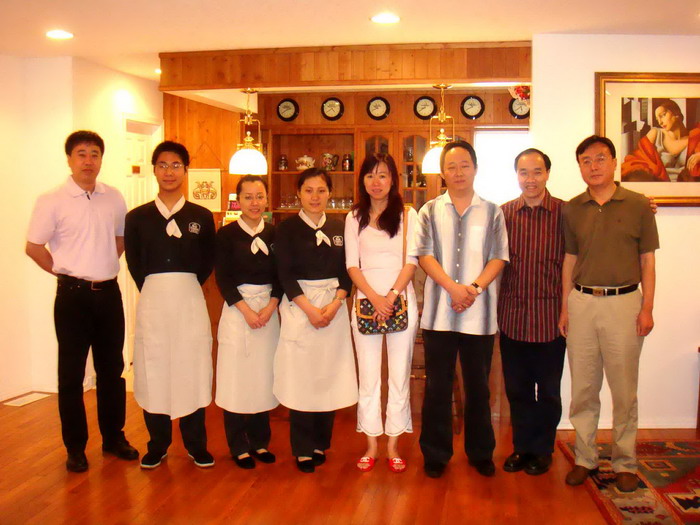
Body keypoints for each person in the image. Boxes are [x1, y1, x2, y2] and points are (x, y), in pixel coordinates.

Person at [25, 130, 139, 472]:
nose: (88, 160)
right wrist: (65, 272)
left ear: (101, 159)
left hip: (108, 294)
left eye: (94, 154)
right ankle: (75, 447)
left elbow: (120, 240)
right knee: (71, 376)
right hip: (71, 297)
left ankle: (114, 438)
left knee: (112, 372)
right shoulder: (52, 200)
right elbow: (33, 247)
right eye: (81, 154)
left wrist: (100, 266)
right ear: (70, 159)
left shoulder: (114, 197)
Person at [559, 135, 659, 493]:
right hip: (582, 303)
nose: (593, 166)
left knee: (623, 390)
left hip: (625, 304)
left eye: (600, 159)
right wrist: (564, 308)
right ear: (580, 167)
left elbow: (648, 260)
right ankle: (585, 459)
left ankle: (625, 463)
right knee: (584, 389)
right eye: (586, 161)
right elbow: (569, 261)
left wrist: (647, 307)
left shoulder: (638, 206)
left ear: (614, 162)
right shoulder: (572, 208)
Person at [411, 140, 509, 478]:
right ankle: (436, 454)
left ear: (475, 168)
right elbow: (425, 256)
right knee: (437, 387)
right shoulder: (429, 211)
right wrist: (453, 288)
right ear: (442, 172)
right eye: (451, 166)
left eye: (464, 165)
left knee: (478, 388)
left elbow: (498, 256)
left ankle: (481, 452)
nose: (458, 172)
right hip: (438, 315)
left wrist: (474, 289)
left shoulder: (492, 211)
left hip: (480, 317)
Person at [124, 140, 216, 469]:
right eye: (163, 165)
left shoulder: (202, 217)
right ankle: (157, 443)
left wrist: (182, 283)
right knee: (155, 366)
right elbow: (134, 262)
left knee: (192, 366)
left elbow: (207, 262)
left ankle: (196, 444)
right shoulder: (137, 217)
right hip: (153, 299)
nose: (169, 172)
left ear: (186, 171)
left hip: (189, 298)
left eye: (176, 165)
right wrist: (157, 287)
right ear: (153, 170)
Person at [273, 168, 358, 474]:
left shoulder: (340, 226)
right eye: (309, 190)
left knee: (328, 375)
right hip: (300, 306)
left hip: (333, 306)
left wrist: (336, 302)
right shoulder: (285, 229)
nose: (315, 197)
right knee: (302, 378)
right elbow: (283, 274)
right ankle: (302, 448)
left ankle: (322, 442)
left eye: (321, 190)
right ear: (299, 193)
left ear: (329, 193)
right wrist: (309, 309)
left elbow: (350, 269)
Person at [344, 154, 419, 473]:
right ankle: (372, 442)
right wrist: (374, 298)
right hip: (365, 302)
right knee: (369, 376)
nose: (376, 182)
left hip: (400, 299)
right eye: (370, 176)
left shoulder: (407, 214)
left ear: (393, 180)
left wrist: (389, 297)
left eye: (383, 176)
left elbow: (411, 261)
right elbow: (351, 264)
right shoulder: (354, 216)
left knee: (400, 375)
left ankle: (393, 443)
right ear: (362, 180)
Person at [497, 149, 566, 476]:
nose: (530, 179)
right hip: (513, 318)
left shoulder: (566, 214)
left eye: (537, 172)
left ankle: (543, 450)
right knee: (518, 391)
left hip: (552, 321)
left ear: (547, 174)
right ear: (517, 176)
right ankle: (522, 448)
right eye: (524, 172)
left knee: (549, 393)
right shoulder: (504, 214)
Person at [215, 175, 281, 469]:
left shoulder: (275, 234)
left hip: (268, 310)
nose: (255, 203)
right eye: (248, 197)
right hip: (237, 311)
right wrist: (246, 310)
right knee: (236, 377)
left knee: (262, 377)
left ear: (267, 199)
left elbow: (283, 275)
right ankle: (238, 445)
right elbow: (223, 277)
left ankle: (260, 442)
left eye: (259, 196)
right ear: (238, 201)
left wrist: (269, 307)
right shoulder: (226, 235)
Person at [622, 98, 700, 182]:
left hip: (687, 189)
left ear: (676, 113)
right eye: (657, 119)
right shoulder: (655, 133)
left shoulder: (695, 137)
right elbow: (636, 160)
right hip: (659, 188)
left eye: (662, 115)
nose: (660, 122)